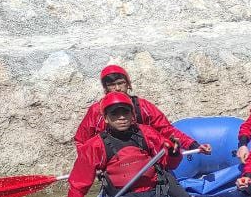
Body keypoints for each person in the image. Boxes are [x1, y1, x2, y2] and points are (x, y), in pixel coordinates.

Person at [65, 93, 187, 197]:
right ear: (106, 118)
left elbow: (170, 164)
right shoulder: (95, 146)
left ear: (132, 114)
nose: (121, 117)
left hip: (154, 193)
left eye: (125, 112)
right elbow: (78, 184)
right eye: (115, 113)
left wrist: (174, 154)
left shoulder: (147, 134)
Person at [74, 65, 204, 154]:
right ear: (105, 89)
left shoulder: (143, 106)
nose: (117, 88)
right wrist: (91, 163)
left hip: (144, 156)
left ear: (128, 84)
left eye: (121, 83)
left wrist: (194, 145)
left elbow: (166, 129)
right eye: (112, 85)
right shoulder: (96, 111)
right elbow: (81, 141)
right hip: (111, 160)